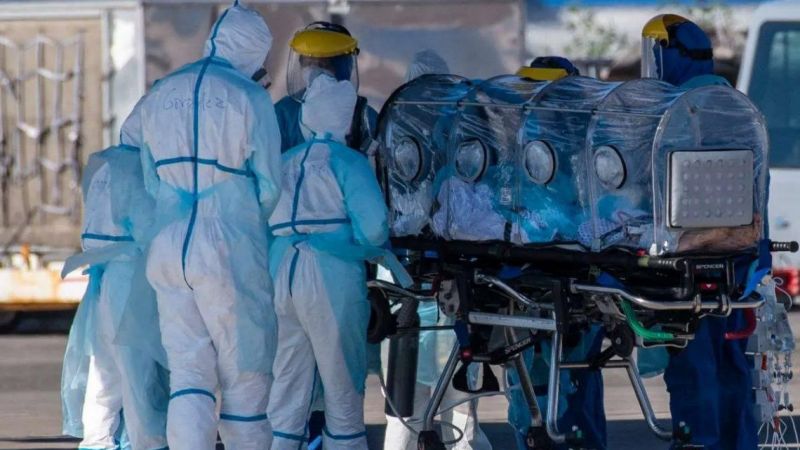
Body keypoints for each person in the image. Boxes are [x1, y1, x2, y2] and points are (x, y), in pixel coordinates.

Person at [136, 3, 282, 449]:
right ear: (255, 50)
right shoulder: (250, 96)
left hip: (167, 243)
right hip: (227, 243)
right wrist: (246, 221)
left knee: (188, 373)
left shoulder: (161, 91)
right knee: (244, 370)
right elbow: (269, 185)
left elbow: (149, 178)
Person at [267, 74, 410, 450]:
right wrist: (364, 247)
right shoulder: (349, 162)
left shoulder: (284, 161)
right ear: (345, 118)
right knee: (342, 382)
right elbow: (374, 227)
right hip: (330, 276)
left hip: (281, 272)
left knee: (287, 383)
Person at [641, 14, 758, 450]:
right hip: (741, 266)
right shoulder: (738, 108)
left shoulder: (672, 115)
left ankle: (699, 443)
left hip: (683, 265)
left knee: (694, 368)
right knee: (733, 367)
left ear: (668, 57)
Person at [381, 49, 492, 450]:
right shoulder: (465, 134)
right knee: (460, 406)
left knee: (405, 409)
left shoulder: (392, 135)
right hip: (452, 286)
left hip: (405, 285)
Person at [61, 104, 168, 450]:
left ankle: (98, 440)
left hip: (103, 276)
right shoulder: (138, 168)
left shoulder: (102, 163)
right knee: (137, 367)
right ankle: (146, 441)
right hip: (130, 274)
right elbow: (152, 226)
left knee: (103, 367)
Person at [275, 21, 378, 154]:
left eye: (324, 64)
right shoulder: (284, 113)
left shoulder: (364, 117)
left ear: (343, 67)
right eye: (309, 63)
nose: (317, 72)